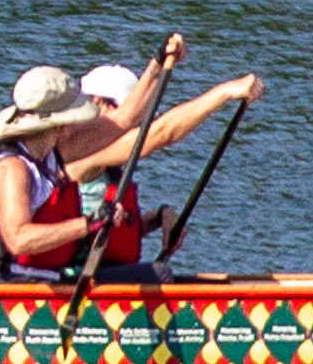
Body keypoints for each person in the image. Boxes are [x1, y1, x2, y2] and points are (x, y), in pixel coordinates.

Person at [53, 55, 264, 280]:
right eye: (131, 117)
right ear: (96, 104)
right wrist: (225, 92)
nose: (134, 126)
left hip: (97, 273)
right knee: (161, 274)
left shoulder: (109, 169)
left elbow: (104, 232)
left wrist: (157, 218)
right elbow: (162, 134)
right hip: (70, 282)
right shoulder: (81, 158)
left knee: (205, 283)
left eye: (138, 120)